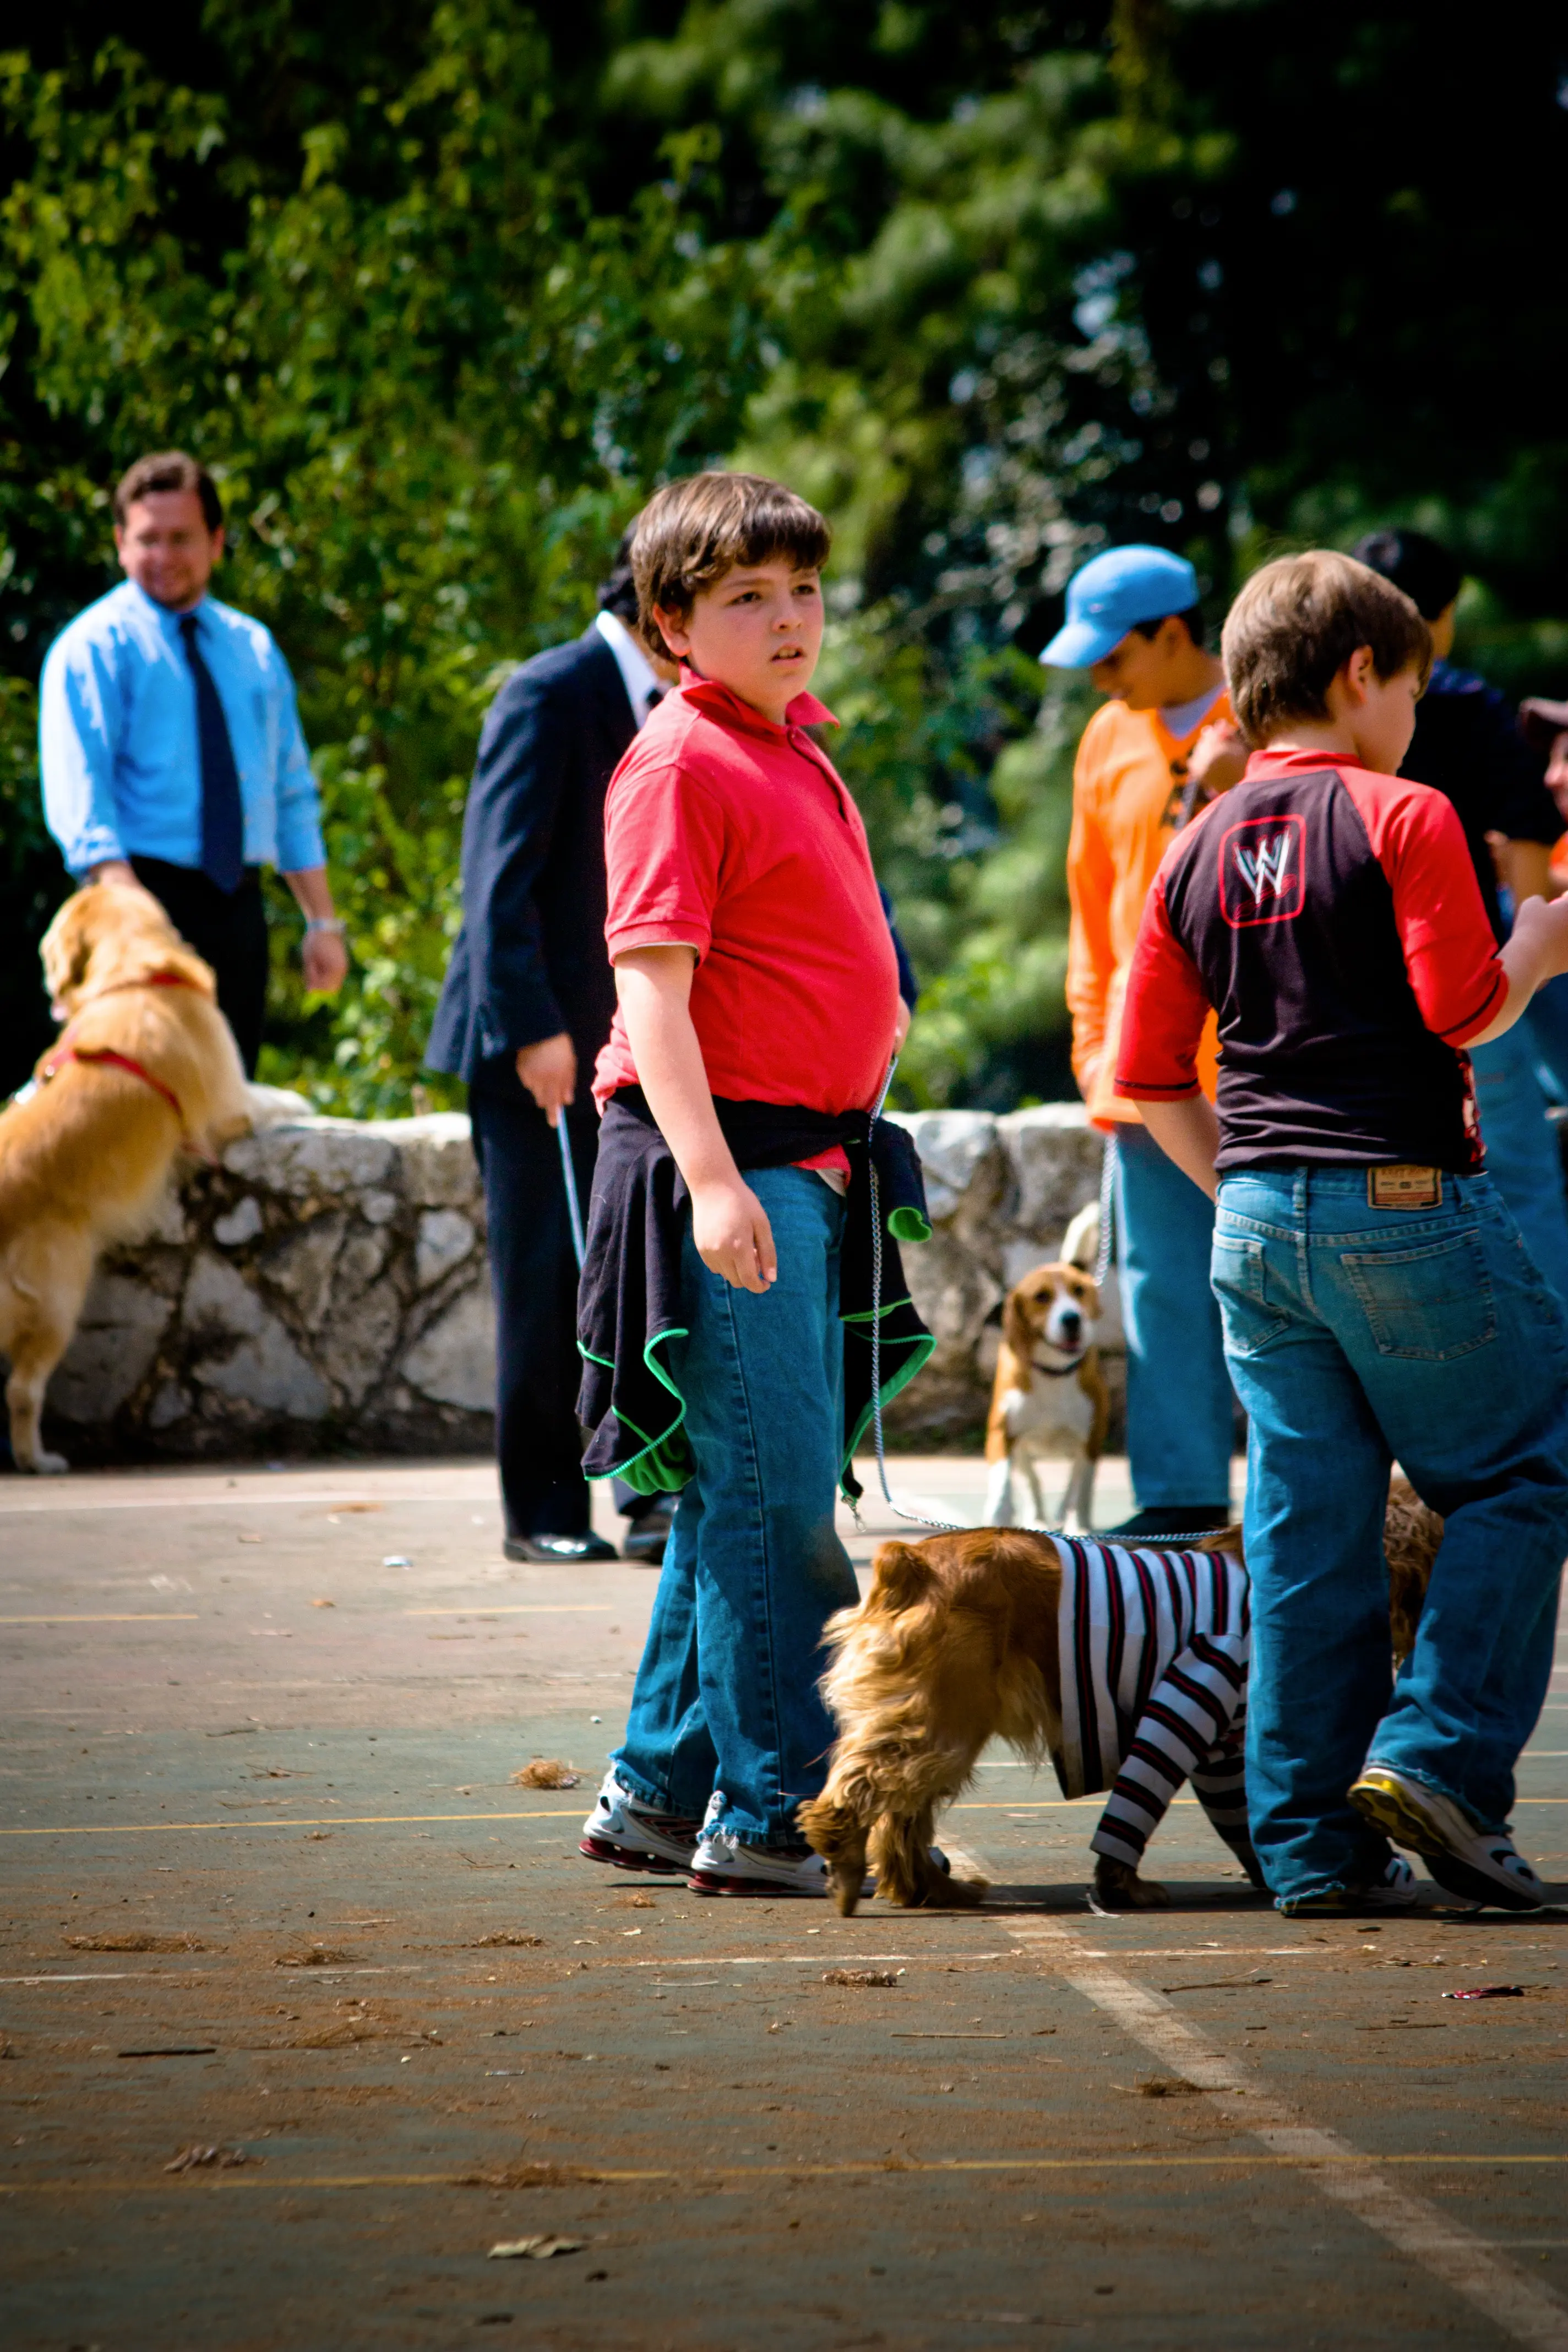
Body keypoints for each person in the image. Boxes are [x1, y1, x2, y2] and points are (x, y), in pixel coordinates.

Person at [1115, 548, 1568, 1916]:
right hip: (1401, 1200)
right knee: (1520, 1474)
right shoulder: (1402, 811)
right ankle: (1433, 1755)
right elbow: (1457, 1011)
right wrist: (1537, 945)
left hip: (1251, 1221)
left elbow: (1143, 1079)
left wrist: (1252, 1195)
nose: (1415, 722)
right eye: (1411, 691)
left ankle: (1310, 1850)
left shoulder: (1187, 845)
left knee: (1302, 1536)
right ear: (1359, 673)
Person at [574, 471, 933, 1896]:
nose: (791, 622)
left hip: (802, 1158)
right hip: (725, 1161)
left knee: (744, 1489)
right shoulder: (677, 763)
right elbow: (650, 1001)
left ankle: (658, 1795)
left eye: (803, 591)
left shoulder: (790, 745)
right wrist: (715, 1187)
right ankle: (779, 1806)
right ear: (672, 625)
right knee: (779, 1500)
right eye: (746, 601)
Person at [426, 538, 683, 1565]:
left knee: (630, 1279)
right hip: (533, 1042)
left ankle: (647, 1493)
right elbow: (496, 880)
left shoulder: (679, 707)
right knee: (544, 1278)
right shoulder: (549, 691)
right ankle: (541, 1512)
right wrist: (534, 1029)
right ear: (662, 608)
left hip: (621, 1044)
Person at [1046, 543, 1248, 1539]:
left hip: (1260, 1070)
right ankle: (1180, 1502)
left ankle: (1350, 1505)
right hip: (1142, 1077)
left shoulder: (1261, 718)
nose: (1098, 674)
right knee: (1160, 1294)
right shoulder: (1102, 737)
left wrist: (1231, 781)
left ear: (1175, 631)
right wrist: (1091, 1044)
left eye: (1111, 651)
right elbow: (1088, 909)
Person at [39, 450, 346, 1075]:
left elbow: (290, 793)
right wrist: (137, 925)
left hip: (238, 905)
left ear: (216, 541)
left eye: (181, 538)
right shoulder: (92, 647)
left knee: (228, 1108)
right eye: (147, 539)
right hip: (137, 901)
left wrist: (323, 921)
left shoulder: (252, 649)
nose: (163, 555)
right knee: (138, 1101)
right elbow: (84, 802)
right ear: (121, 543)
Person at [1353, 529, 1568, 1302]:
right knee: (1518, 1172)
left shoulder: (1332, 709)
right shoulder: (1465, 702)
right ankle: (1556, 1373)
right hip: (1465, 978)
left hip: (1348, 996)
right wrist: (1524, 958)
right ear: (1439, 618)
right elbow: (1529, 828)